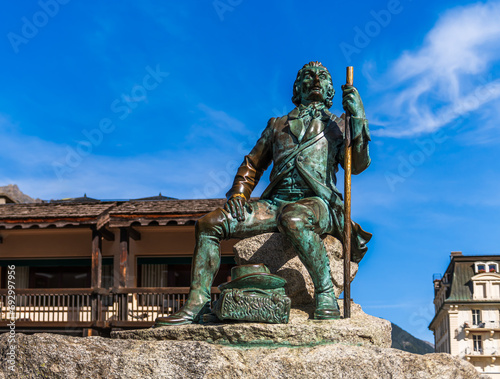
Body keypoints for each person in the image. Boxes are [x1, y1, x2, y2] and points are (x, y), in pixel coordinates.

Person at [156, 61, 372, 326]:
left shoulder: (339, 126)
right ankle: (197, 303)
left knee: (293, 218)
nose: (316, 80)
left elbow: (358, 166)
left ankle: (324, 292)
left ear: (330, 90)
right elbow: (252, 164)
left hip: (317, 203)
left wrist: (359, 118)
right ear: (297, 87)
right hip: (274, 202)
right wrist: (238, 195)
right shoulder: (278, 125)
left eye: (323, 77)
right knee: (209, 224)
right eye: (308, 76)